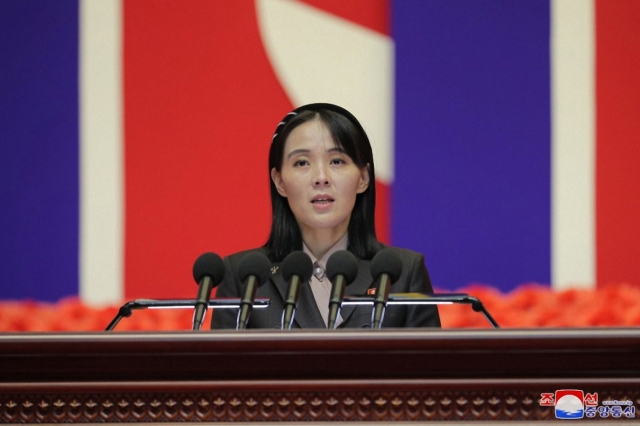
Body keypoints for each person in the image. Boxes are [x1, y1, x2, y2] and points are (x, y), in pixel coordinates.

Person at [211, 103, 440, 329]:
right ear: (279, 181)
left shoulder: (404, 273)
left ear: (363, 178)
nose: (321, 177)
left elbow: (428, 366)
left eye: (337, 161)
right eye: (302, 163)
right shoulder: (244, 278)